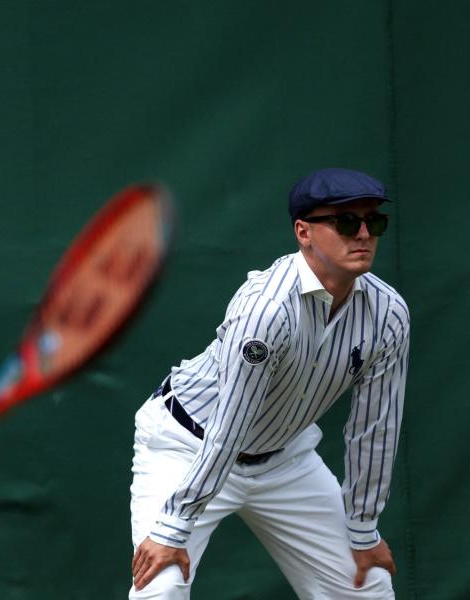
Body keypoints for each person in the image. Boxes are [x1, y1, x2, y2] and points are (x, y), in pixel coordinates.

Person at [129, 168, 409, 599]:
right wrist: (175, 525)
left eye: (375, 222)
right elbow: (230, 424)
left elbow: (375, 429)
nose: (365, 234)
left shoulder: (388, 313)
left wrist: (363, 528)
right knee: (160, 586)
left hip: (284, 459)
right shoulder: (267, 310)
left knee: (368, 584)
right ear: (304, 232)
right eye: (348, 222)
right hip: (188, 446)